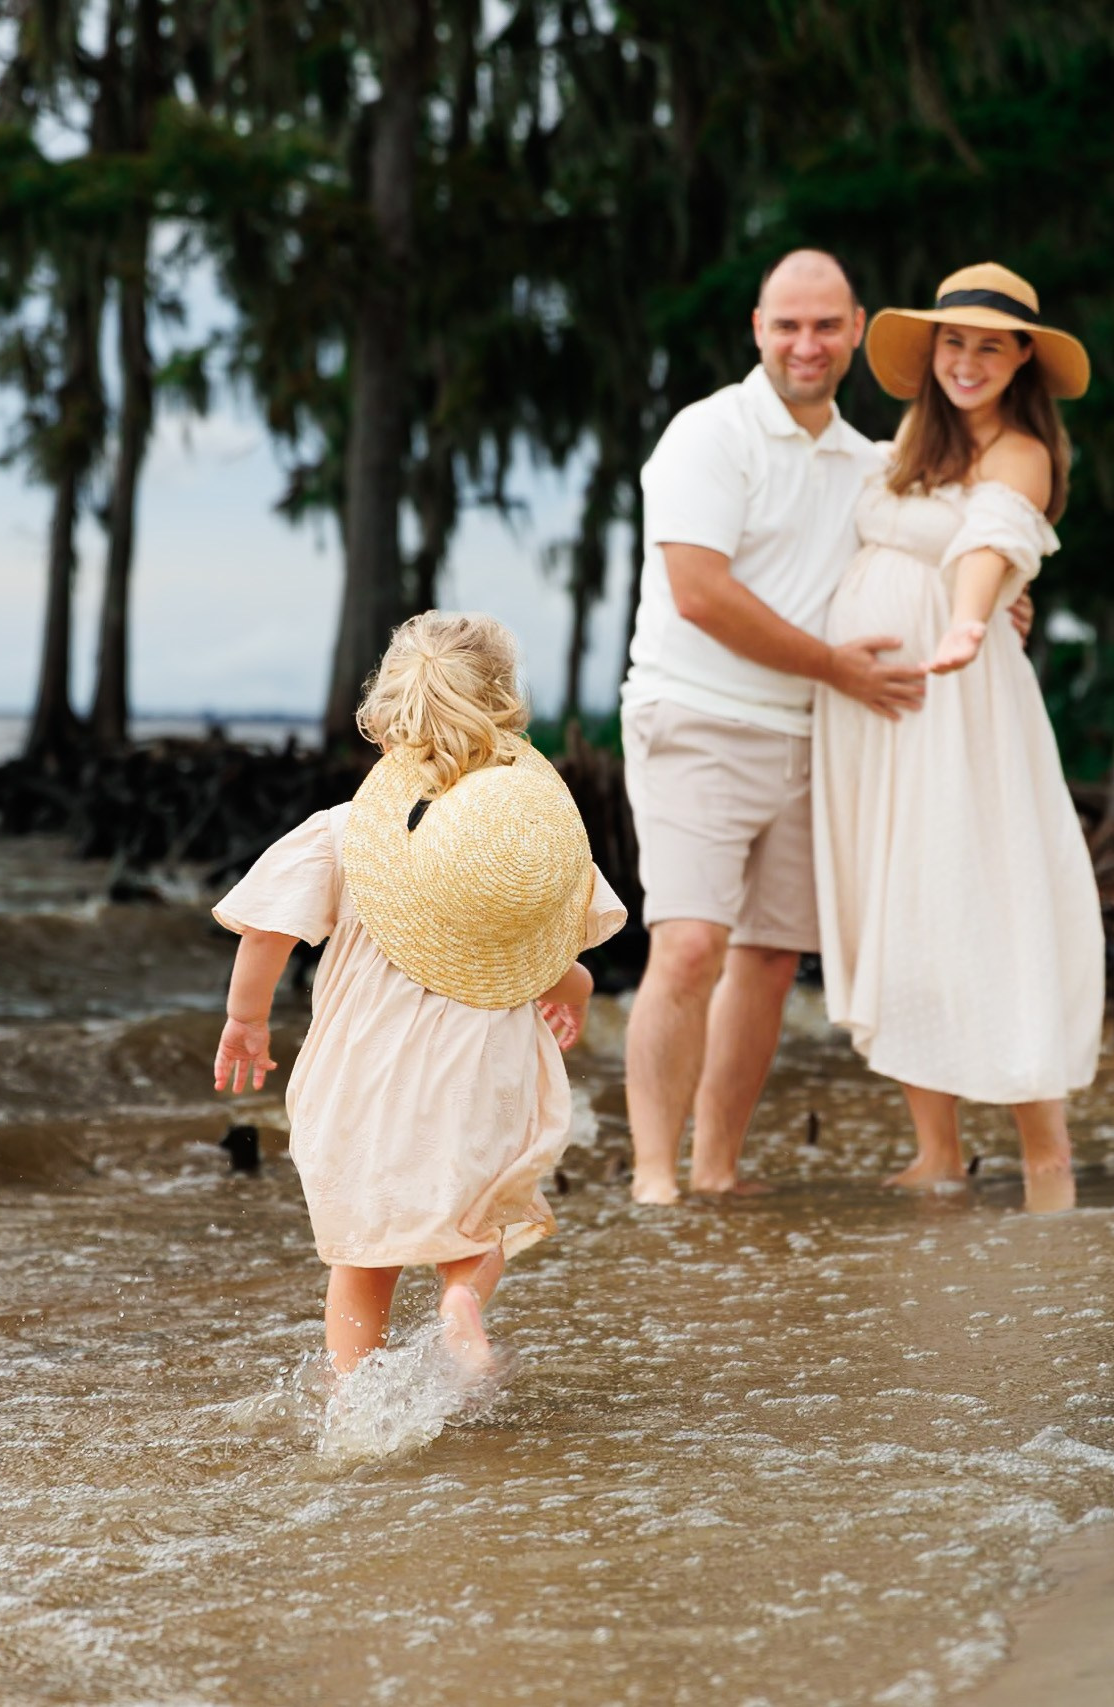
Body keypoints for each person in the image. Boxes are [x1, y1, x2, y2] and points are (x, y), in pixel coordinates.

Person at [211, 612, 626, 1373]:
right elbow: (549, 955)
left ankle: (351, 1398)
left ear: (385, 715)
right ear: (507, 708)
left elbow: (267, 930)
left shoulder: (342, 833)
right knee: (477, 1221)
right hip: (476, 1078)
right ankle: (461, 1298)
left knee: (363, 1254)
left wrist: (247, 1019)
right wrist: (581, 986)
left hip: (361, 1078)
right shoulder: (527, 843)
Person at [617, 250, 925, 1205]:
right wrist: (836, 666)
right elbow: (699, 594)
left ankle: (716, 1169)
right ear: (757, 328)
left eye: (826, 325)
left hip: (809, 734)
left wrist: (999, 605)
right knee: (689, 945)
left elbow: (936, 555)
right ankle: (654, 1178)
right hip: (695, 717)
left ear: (857, 329)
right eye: (787, 325)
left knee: (769, 958)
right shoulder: (708, 434)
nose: (807, 343)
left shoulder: (870, 464)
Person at [811, 262, 1106, 1212]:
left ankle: (1046, 1154)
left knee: (986, 895)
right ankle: (936, 1148)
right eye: (953, 342)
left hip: (959, 704)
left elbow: (990, 543)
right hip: (874, 713)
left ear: (1022, 358)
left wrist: (972, 619)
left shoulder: (1021, 452)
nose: (967, 361)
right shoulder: (911, 440)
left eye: (989, 345)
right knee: (900, 902)